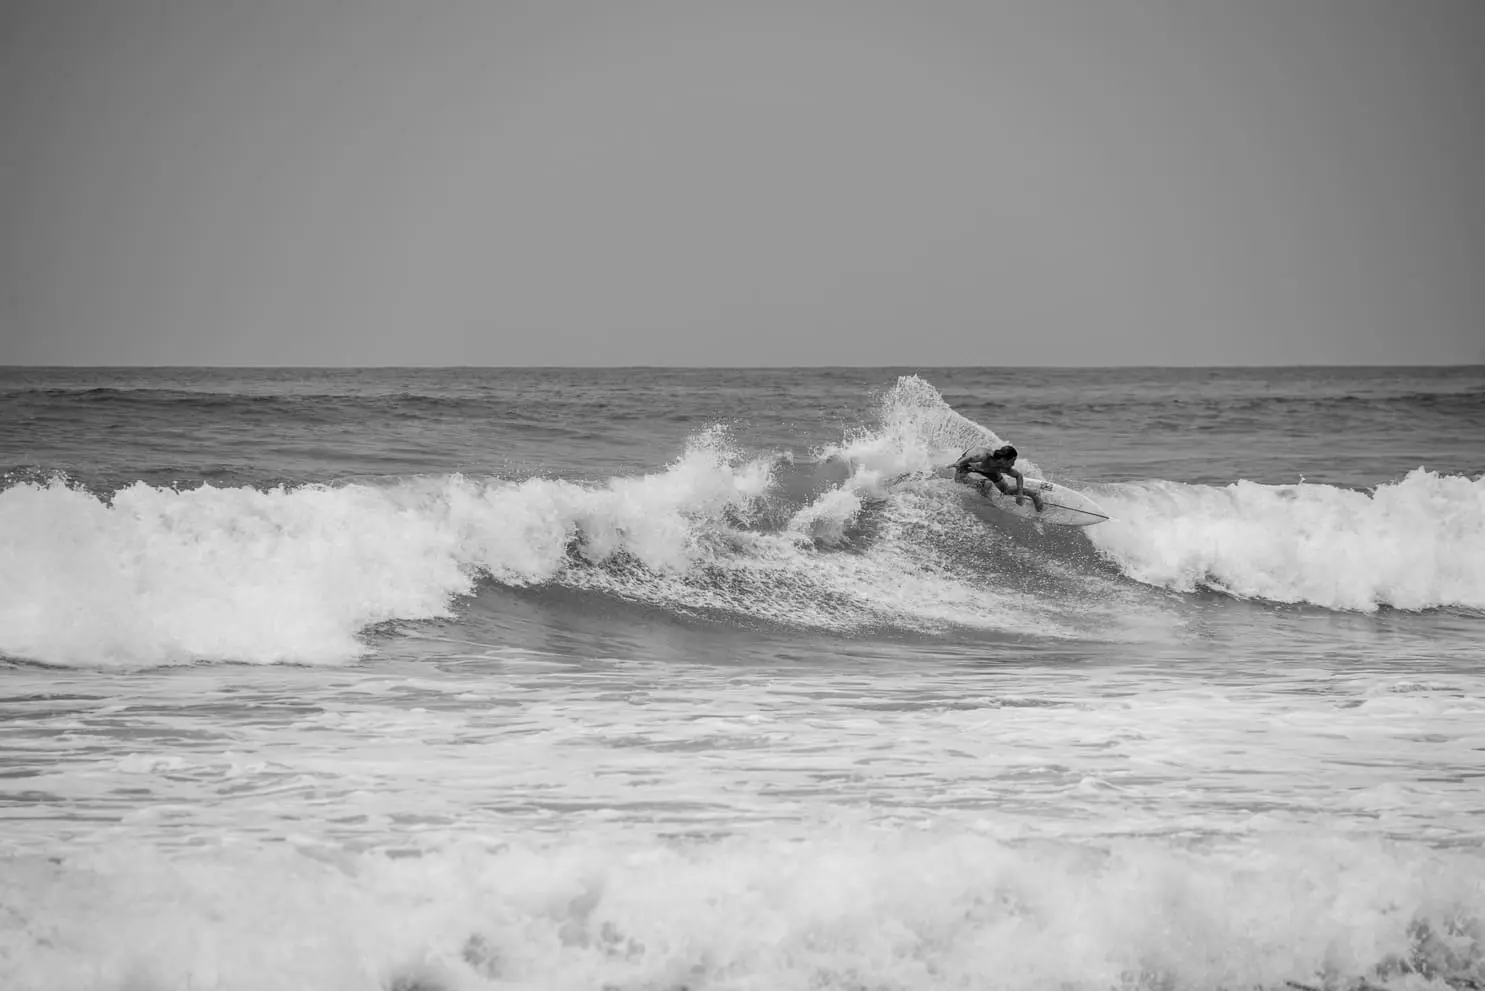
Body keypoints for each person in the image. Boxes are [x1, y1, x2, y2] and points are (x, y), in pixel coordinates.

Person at [951, 444, 1044, 512]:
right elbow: (970, 458)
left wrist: (1020, 494)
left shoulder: (1004, 467)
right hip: (967, 465)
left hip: (989, 470)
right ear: (1004, 459)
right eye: (1012, 461)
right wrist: (958, 463)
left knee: (1006, 490)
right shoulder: (985, 456)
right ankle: (983, 485)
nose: (1013, 464)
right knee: (959, 481)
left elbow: (1018, 476)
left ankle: (1033, 493)